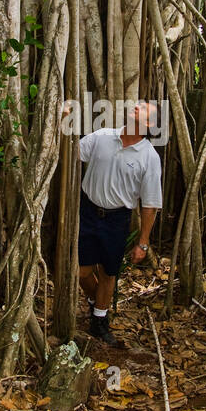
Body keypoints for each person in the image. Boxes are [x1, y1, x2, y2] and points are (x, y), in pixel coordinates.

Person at [71, 100, 163, 348]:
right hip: (88, 211)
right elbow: (71, 152)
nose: (136, 106)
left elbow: (150, 204)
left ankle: (99, 320)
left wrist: (142, 243)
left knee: (109, 272)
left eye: (143, 109)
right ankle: (95, 300)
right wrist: (63, 122)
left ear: (148, 124)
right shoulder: (102, 136)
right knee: (82, 271)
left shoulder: (149, 157)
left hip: (117, 219)